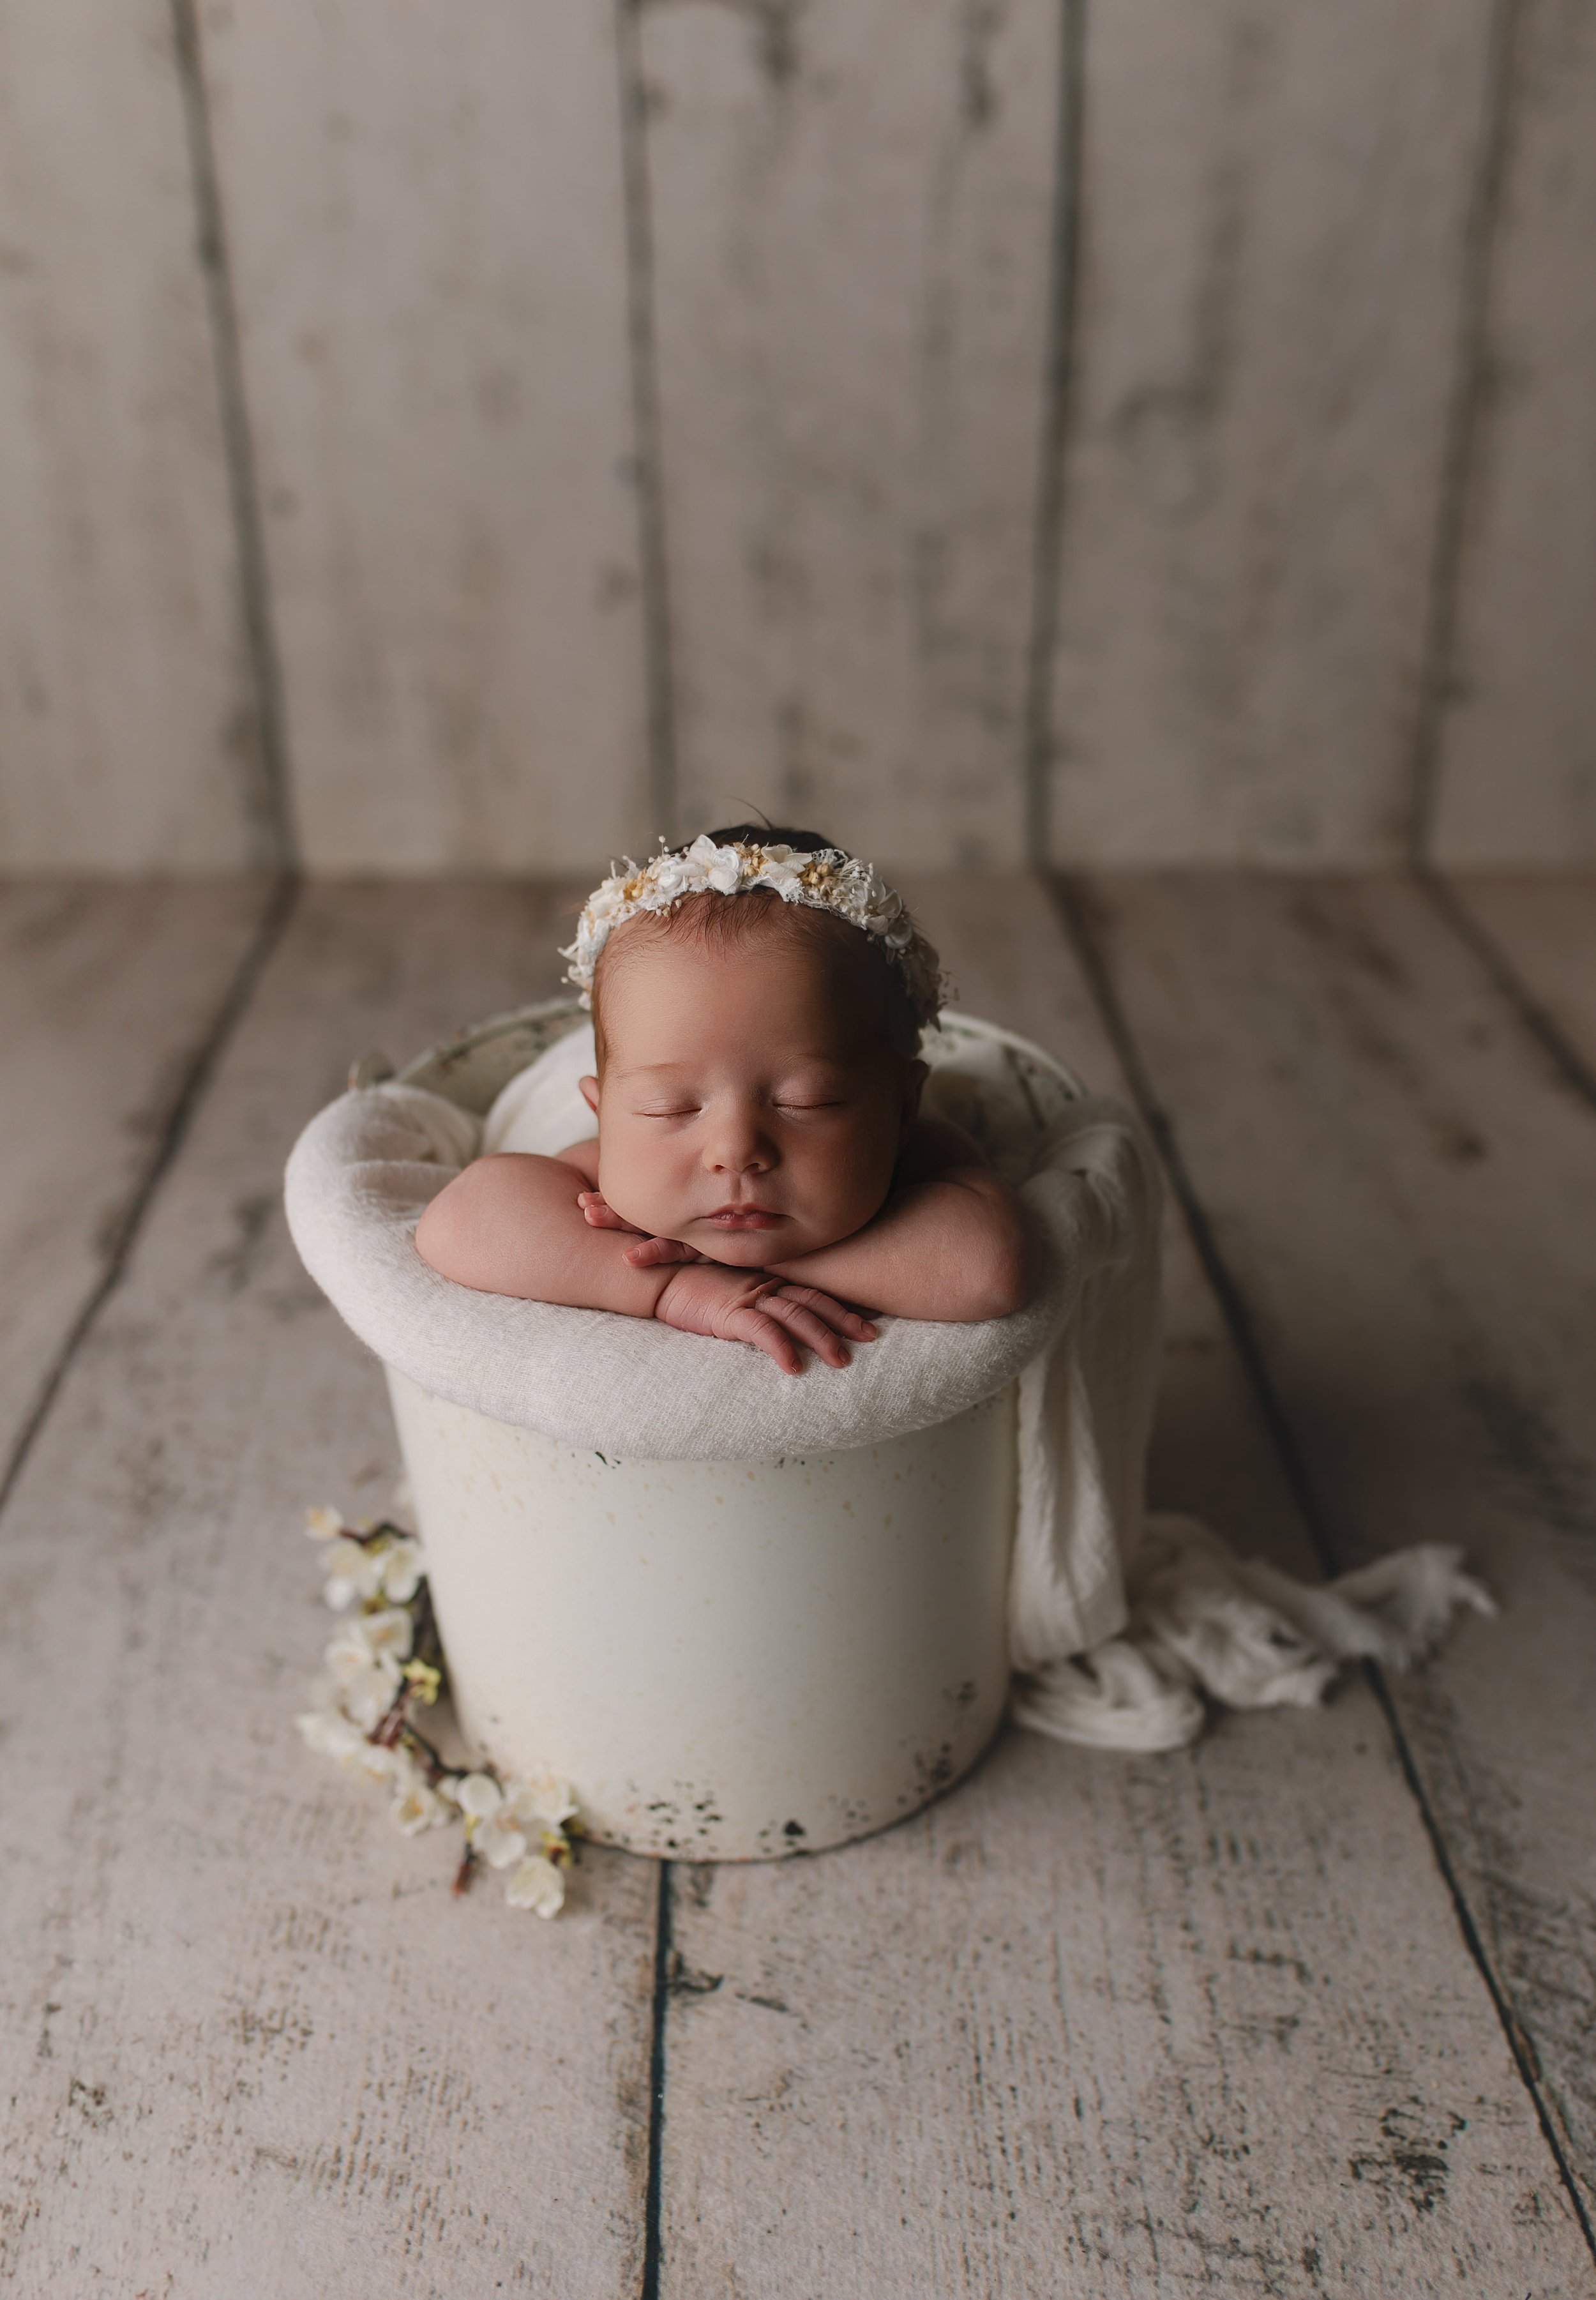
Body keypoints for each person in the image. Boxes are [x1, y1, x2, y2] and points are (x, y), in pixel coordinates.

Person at [415, 828, 1034, 1372]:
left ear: (899, 1112)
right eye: (670, 1107)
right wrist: (676, 1286)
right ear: (604, 1118)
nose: (736, 1150)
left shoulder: (915, 1158)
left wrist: (755, 1265)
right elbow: (460, 1221)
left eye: (806, 1101)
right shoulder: (608, 1178)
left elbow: (989, 1266)